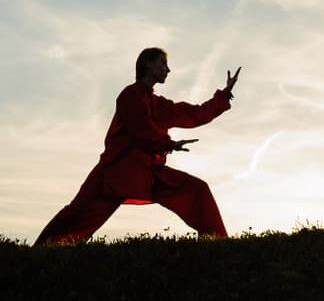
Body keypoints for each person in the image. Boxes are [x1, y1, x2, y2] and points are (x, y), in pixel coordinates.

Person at [33, 47, 241, 246]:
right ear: (149, 64)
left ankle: (216, 245)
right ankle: (38, 254)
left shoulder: (158, 104)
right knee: (75, 216)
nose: (168, 70)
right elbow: (140, 128)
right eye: (163, 64)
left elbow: (193, 113)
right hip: (116, 173)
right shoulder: (130, 95)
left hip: (148, 174)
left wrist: (223, 95)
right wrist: (168, 144)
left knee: (197, 190)